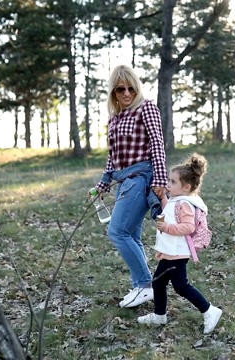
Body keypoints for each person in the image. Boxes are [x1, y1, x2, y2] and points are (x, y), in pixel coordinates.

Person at [91, 65, 168, 308]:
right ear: (113, 92)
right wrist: (104, 183)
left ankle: (145, 285)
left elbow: (157, 143)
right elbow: (112, 156)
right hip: (124, 180)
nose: (126, 93)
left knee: (118, 232)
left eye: (131, 88)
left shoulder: (146, 108)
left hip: (141, 177)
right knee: (131, 234)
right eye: (120, 89)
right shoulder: (114, 117)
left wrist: (160, 180)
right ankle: (140, 286)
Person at [137, 153, 222, 334]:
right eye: (169, 180)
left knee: (181, 286)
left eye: (172, 182)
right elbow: (170, 207)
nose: (168, 184)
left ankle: (209, 310)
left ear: (186, 187)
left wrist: (167, 227)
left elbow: (188, 227)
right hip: (170, 252)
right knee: (158, 283)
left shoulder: (185, 204)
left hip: (178, 253)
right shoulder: (177, 200)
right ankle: (159, 316)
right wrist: (162, 196)